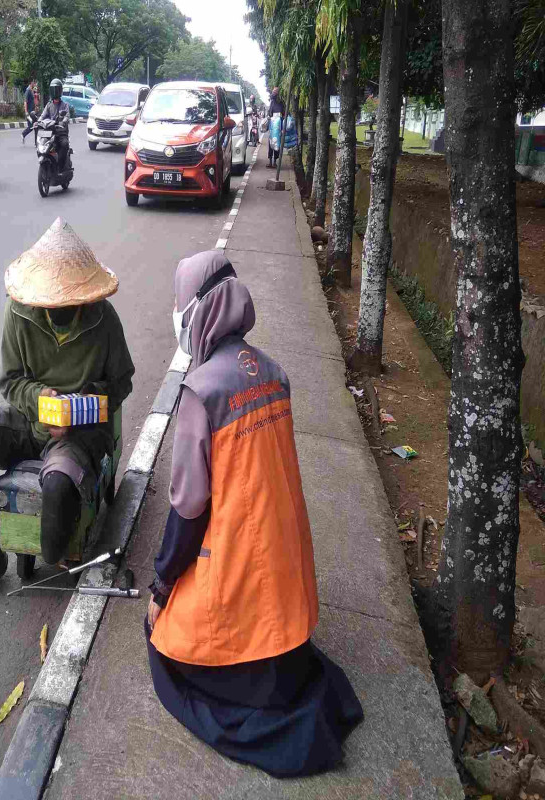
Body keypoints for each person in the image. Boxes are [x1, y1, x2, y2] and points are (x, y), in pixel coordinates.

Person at [145, 250, 364, 777]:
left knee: (163, 647)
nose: (177, 316)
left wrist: (160, 586)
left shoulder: (202, 392)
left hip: (242, 571)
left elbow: (188, 509)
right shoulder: (274, 373)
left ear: (199, 310)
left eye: (180, 306)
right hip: (288, 583)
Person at [0, 218, 135, 605]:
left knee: (52, 544)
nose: (57, 307)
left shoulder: (104, 320)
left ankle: (59, 533)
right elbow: (11, 381)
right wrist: (39, 399)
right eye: (49, 301)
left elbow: (122, 382)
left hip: (77, 435)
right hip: (30, 421)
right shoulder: (19, 314)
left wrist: (80, 407)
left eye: (68, 301)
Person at [39, 78, 70, 171]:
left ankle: (60, 166)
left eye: (57, 89)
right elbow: (42, 116)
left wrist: (63, 121)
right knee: (41, 144)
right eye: (53, 89)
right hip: (49, 132)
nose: (55, 91)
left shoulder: (65, 105)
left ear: (60, 91)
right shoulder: (48, 105)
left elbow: (67, 116)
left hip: (61, 132)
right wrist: (38, 121)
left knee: (64, 145)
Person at [267, 88, 285, 167]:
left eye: (275, 92)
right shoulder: (272, 102)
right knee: (271, 143)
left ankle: (274, 162)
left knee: (277, 143)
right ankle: (270, 161)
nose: (273, 93)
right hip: (272, 126)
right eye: (273, 92)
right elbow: (269, 113)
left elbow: (284, 114)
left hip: (278, 126)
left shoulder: (281, 102)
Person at [22, 77, 38, 142]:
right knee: (31, 126)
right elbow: (25, 102)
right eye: (34, 83)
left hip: (33, 112)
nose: (35, 84)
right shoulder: (28, 90)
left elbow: (34, 101)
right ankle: (23, 134)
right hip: (29, 112)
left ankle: (36, 142)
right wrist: (26, 112)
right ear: (31, 83)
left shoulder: (32, 90)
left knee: (36, 126)